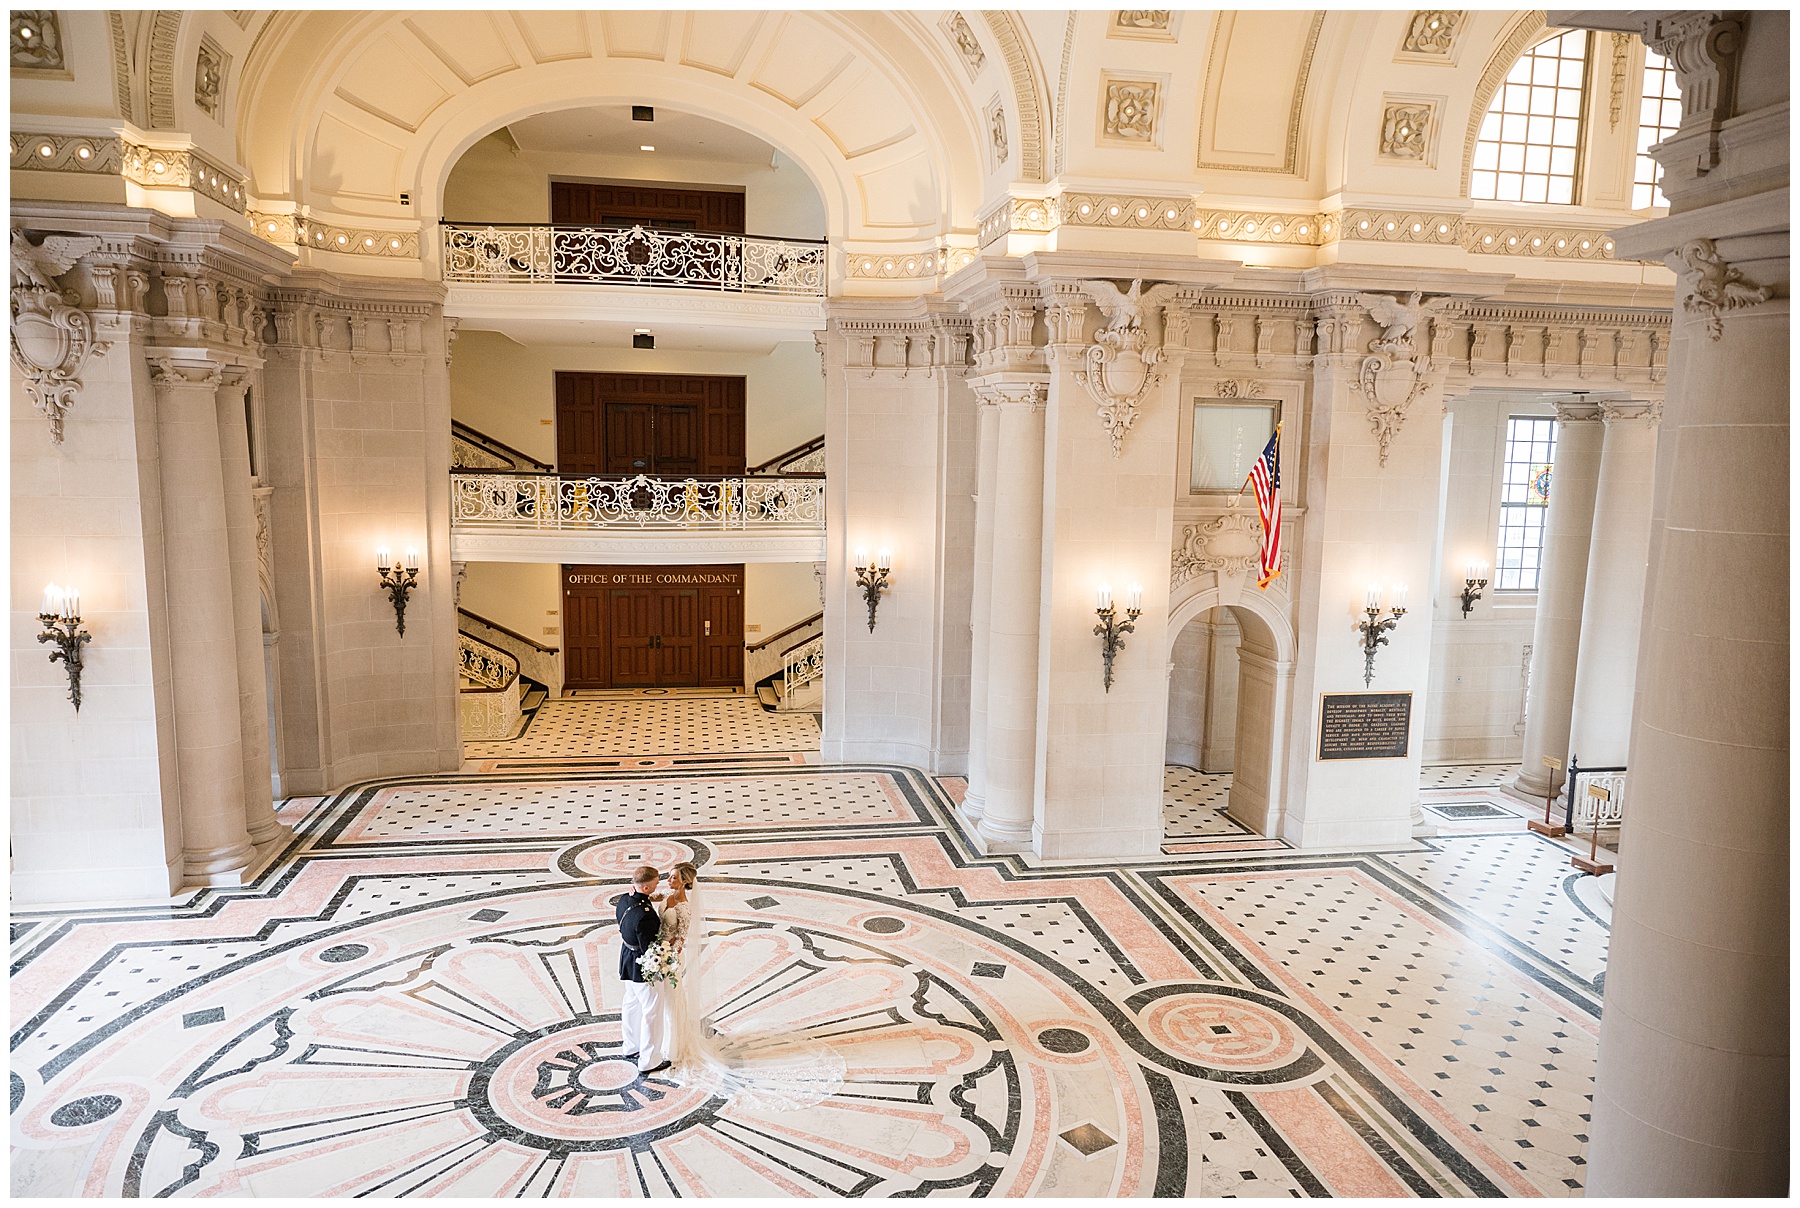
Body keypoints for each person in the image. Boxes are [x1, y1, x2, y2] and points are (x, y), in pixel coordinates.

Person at [655, 861, 845, 1109]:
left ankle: (676, 1046)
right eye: (669, 876)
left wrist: (669, 953)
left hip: (670, 955)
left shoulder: (685, 907)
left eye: (673, 877)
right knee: (666, 998)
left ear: (685, 881)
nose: (668, 880)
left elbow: (681, 935)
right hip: (660, 951)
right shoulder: (667, 896)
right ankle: (665, 1040)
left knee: (674, 996)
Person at [615, 865, 669, 1075]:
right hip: (643, 964)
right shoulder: (645, 914)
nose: (658, 885)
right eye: (655, 882)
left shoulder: (624, 899)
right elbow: (649, 949)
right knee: (651, 1011)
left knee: (631, 1003)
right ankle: (649, 1060)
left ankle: (630, 1047)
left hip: (627, 958)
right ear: (646, 886)